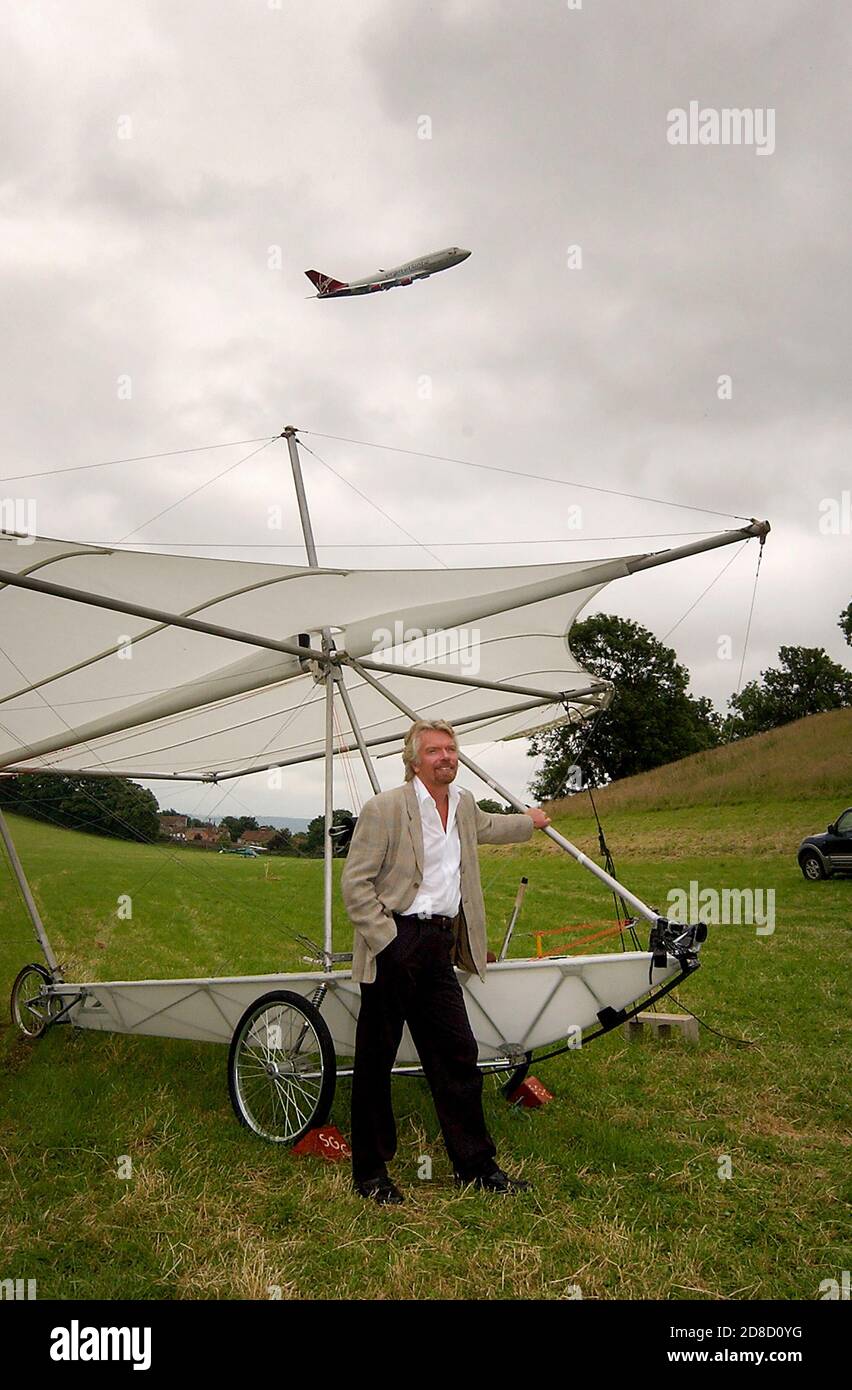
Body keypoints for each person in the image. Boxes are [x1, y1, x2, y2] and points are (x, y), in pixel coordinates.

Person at [341, 718, 551, 1204]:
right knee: (376, 1060)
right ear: (414, 760)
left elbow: (492, 828)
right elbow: (356, 885)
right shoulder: (384, 808)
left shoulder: (463, 806)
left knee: (458, 1057)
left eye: (451, 750)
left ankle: (475, 1166)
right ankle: (370, 1174)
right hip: (395, 941)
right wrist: (388, 944)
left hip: (439, 945)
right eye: (435, 751)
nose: (447, 757)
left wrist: (532, 822)